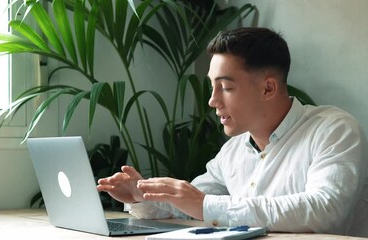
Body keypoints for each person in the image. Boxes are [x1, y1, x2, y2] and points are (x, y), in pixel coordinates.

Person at [97, 27, 368, 236]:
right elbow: (191, 201)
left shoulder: (334, 130)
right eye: (212, 86)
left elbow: (325, 210)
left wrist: (204, 205)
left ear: (268, 88)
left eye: (225, 87)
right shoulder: (234, 150)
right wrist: (141, 195)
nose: (212, 101)